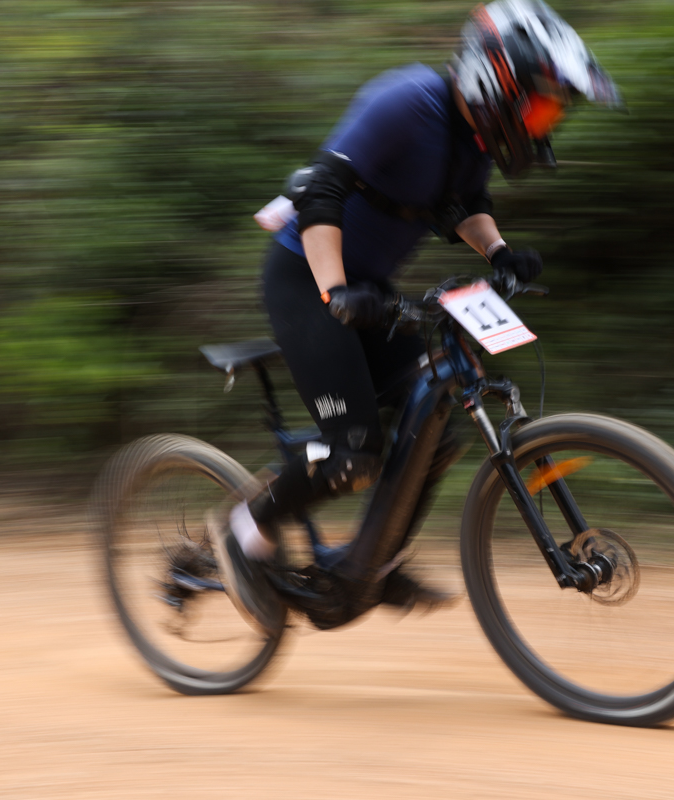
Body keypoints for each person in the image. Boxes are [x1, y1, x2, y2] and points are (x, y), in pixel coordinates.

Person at [216, 0, 621, 632]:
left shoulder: (474, 137)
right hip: (306, 278)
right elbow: (321, 190)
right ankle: (246, 527)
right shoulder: (407, 100)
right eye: (542, 107)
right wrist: (335, 291)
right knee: (351, 453)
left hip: (367, 288)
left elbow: (465, 202)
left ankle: (373, 560)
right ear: (500, 82)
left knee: (434, 425)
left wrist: (500, 252)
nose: (546, 125)